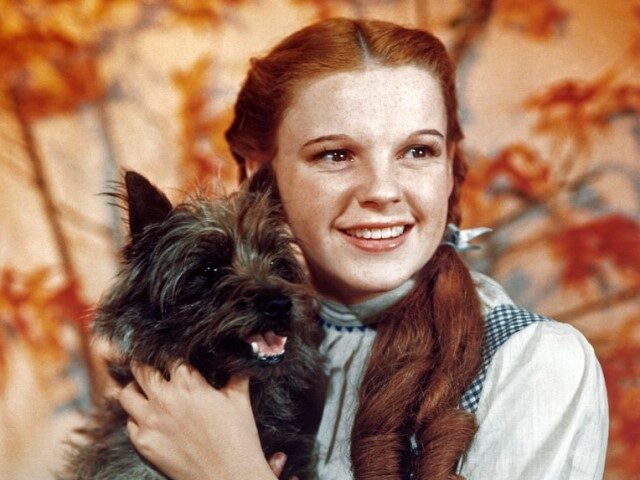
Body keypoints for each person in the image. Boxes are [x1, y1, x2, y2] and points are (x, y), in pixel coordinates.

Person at [118, 17, 609, 480]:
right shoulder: (217, 350)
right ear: (256, 173)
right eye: (335, 154)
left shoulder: (534, 364)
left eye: (418, 151)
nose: (382, 191)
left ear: (449, 164)